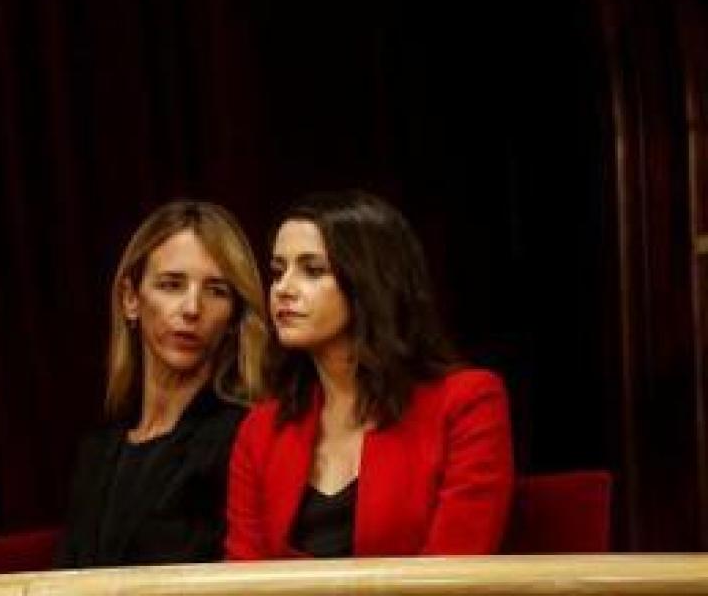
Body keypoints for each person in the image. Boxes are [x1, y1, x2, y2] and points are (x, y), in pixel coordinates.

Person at [225, 190, 513, 559]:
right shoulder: (260, 431)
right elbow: (242, 576)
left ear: (370, 281)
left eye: (313, 271)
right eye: (278, 272)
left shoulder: (468, 402)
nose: (284, 289)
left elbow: (455, 570)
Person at [58, 200, 268, 566]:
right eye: (171, 285)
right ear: (130, 299)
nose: (191, 308)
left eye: (216, 290)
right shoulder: (97, 452)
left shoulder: (242, 437)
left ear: (235, 316)